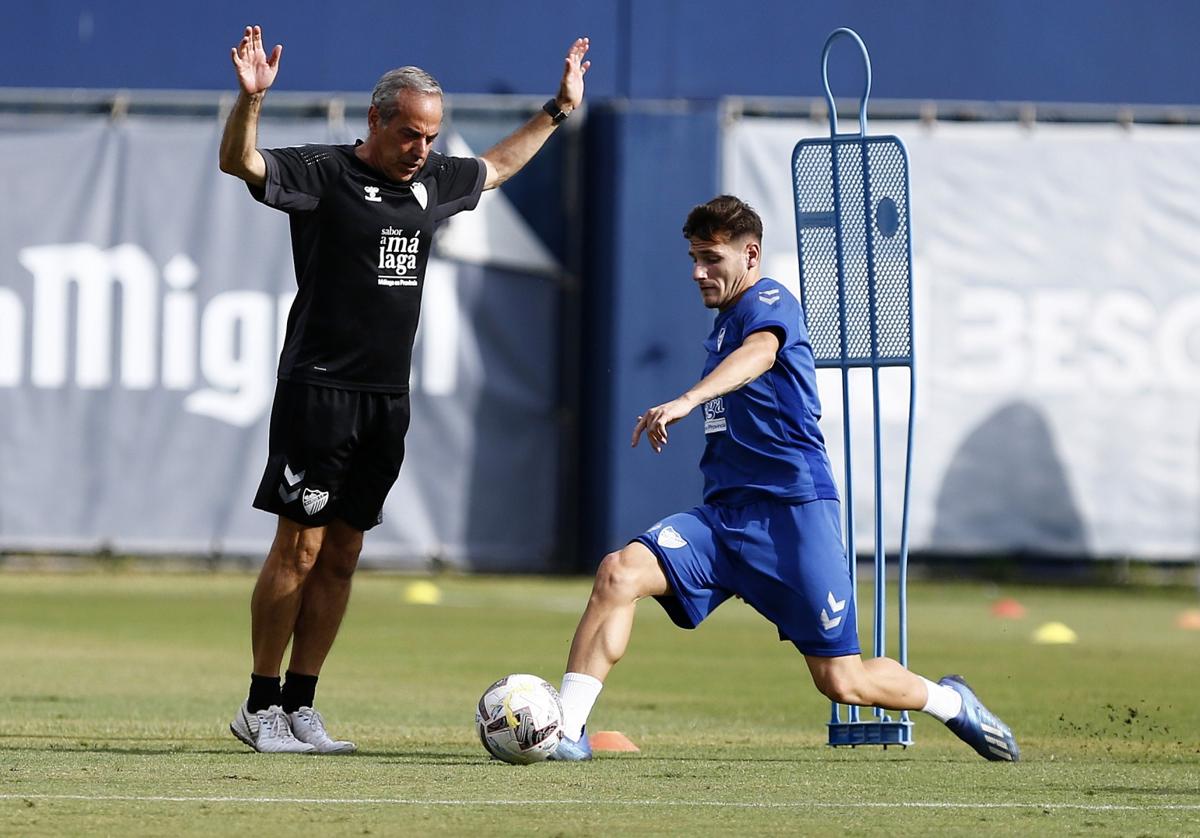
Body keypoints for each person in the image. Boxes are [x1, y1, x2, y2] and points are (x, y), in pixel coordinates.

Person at [218, 24, 590, 754]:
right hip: (319, 390)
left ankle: (300, 706)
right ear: (376, 120)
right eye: (412, 133)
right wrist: (249, 100)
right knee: (298, 548)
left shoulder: (432, 181)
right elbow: (240, 163)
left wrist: (557, 109)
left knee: (345, 553)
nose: (423, 147)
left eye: (431, 136)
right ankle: (258, 706)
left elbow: (494, 169)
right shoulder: (323, 174)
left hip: (387, 399)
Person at [550, 195, 1020, 762]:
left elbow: (762, 354)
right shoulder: (724, 324)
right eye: (693, 258)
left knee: (843, 682)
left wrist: (689, 399)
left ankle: (950, 702)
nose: (698, 271)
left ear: (750, 254)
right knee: (618, 572)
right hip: (723, 521)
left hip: (793, 519)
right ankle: (566, 732)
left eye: (711, 258)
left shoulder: (769, 302)